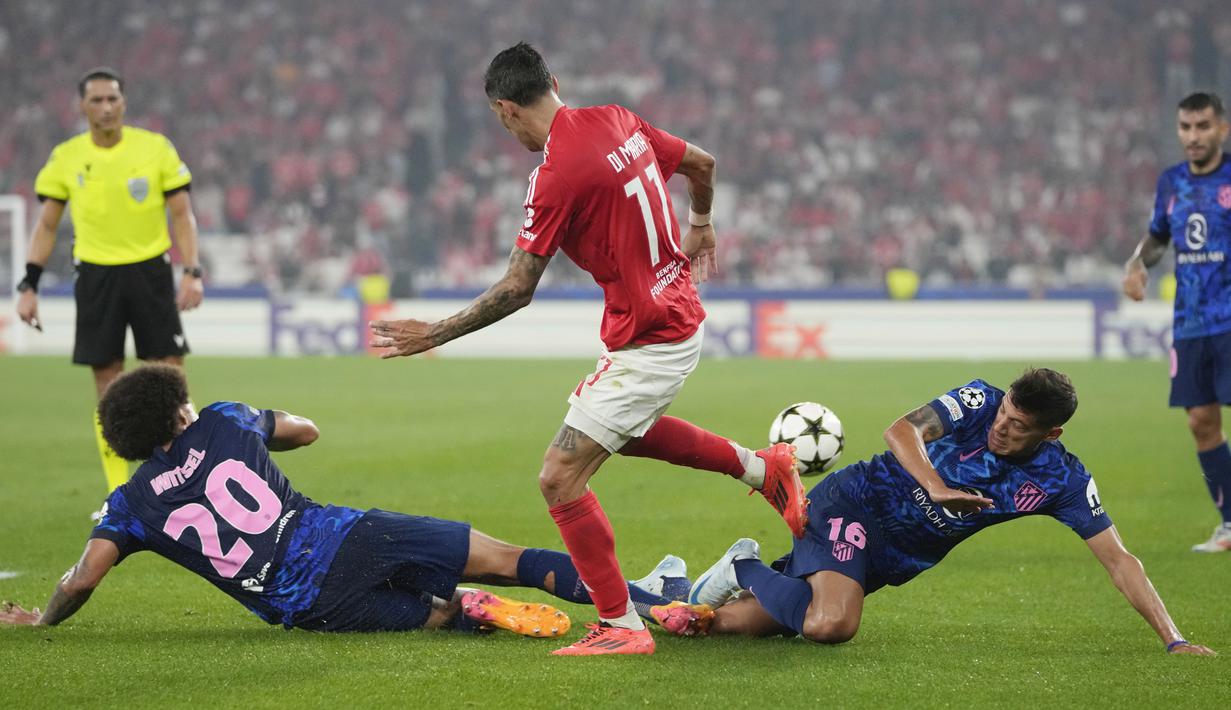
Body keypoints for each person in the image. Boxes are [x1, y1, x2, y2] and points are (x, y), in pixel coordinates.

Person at [368, 42, 808, 655]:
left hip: (653, 337)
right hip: (669, 314)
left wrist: (433, 333)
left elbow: (518, 288)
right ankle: (765, 469)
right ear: (553, 81)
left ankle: (621, 626)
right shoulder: (618, 118)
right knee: (624, 431)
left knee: (559, 477)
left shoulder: (555, 173)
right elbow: (703, 165)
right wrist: (702, 221)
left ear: (505, 110)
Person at [0, 364, 690, 636]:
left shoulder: (130, 504)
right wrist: (266, 439)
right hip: (348, 534)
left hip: (307, 607)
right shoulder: (223, 419)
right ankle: (652, 606)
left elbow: (82, 578)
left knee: (432, 619)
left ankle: (459, 613)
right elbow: (306, 430)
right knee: (507, 558)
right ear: (177, 411)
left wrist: (40, 619)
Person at [652, 369, 1217, 657]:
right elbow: (902, 428)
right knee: (831, 625)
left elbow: (1120, 560)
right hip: (856, 502)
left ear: (1052, 433)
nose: (1002, 425)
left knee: (731, 626)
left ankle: (665, 593)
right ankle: (742, 564)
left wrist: (1173, 638)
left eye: (1019, 426)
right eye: (1006, 413)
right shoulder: (979, 400)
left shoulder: (1061, 479)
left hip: (893, 559)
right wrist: (936, 483)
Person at [14, 67, 204, 494]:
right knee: (109, 386)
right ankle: (119, 493)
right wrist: (29, 285)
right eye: (97, 100)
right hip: (97, 276)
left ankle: (193, 481)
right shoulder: (66, 156)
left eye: (112, 99)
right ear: (82, 106)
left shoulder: (154, 149)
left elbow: (182, 215)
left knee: (171, 378)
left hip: (150, 270)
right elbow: (46, 226)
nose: (106, 107)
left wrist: (192, 271)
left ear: (124, 103)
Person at [1123, 91, 1231, 552]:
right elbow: (1158, 236)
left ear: (1222, 129)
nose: (1193, 136)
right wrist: (1136, 264)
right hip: (1190, 323)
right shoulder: (1171, 182)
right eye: (1186, 128)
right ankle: (1229, 525)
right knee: (1201, 422)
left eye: (1203, 126)